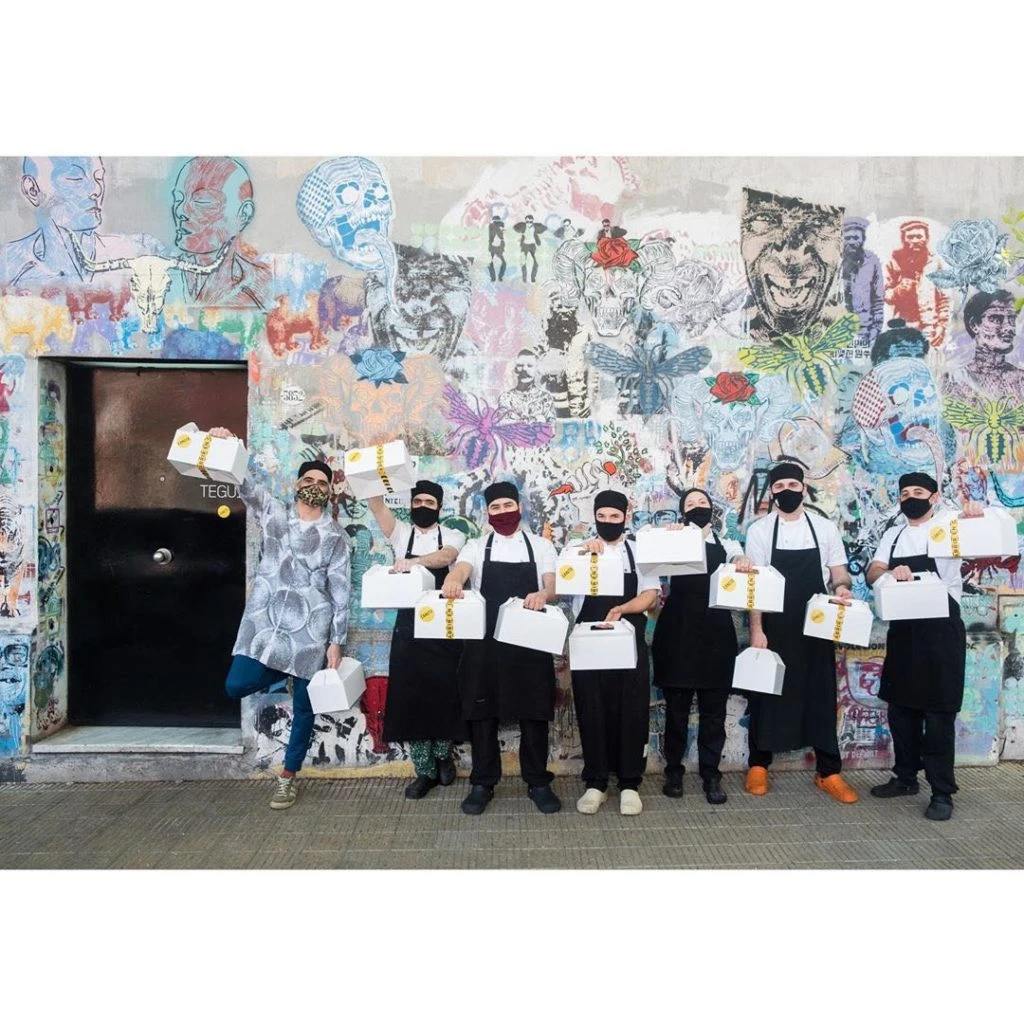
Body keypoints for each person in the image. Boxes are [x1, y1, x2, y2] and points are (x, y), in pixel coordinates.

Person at [211, 429, 350, 810]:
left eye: (322, 483)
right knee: (237, 684)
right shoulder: (274, 514)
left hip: (310, 634)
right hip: (265, 626)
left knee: (305, 709)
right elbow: (245, 484)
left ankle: (288, 777)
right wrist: (229, 445)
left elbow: (341, 590)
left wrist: (336, 641)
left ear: (329, 492)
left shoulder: (336, 537)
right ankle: (279, 673)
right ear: (297, 484)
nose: (315, 486)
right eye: (309, 480)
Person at [864, 473, 982, 821]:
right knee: (901, 710)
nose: (910, 497)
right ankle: (905, 778)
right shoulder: (893, 535)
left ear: (934, 497)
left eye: (918, 492)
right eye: (904, 493)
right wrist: (891, 572)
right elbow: (873, 572)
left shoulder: (949, 527)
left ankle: (942, 792)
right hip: (904, 632)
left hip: (941, 632)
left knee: (939, 715)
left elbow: (979, 533)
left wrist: (974, 514)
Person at [743, 462, 859, 803]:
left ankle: (829, 772)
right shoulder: (760, 531)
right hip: (775, 625)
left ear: (803, 488)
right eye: (780, 486)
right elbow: (755, 586)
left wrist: (842, 589)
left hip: (816, 625)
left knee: (821, 696)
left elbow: (839, 573)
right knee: (766, 693)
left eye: (793, 485)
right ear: (772, 492)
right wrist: (757, 630)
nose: (787, 491)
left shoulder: (824, 528)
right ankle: (758, 765)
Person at [441, 481, 560, 815]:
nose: (503, 512)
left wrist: (543, 594)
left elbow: (553, 586)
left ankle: (538, 781)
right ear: (487, 512)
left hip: (530, 638)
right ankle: (483, 782)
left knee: (534, 711)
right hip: (486, 642)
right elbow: (461, 569)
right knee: (483, 713)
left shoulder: (541, 546)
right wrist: (453, 580)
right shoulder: (477, 546)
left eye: (508, 505)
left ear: (519, 507)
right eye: (495, 507)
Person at [365, 482, 466, 799]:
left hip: (443, 623)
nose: (423, 506)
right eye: (418, 501)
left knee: (445, 692)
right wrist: (374, 474)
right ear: (411, 504)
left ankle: (443, 756)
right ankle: (424, 770)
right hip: (409, 627)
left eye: (429, 502)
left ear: (439, 507)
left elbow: (446, 557)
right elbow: (377, 506)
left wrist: (413, 562)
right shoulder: (400, 533)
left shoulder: (452, 535)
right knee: (412, 696)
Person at [562, 490, 660, 815]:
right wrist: (582, 557)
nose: (608, 522)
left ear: (626, 517)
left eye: (614, 516)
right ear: (594, 517)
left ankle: (630, 783)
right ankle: (597, 783)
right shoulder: (576, 550)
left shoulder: (639, 552)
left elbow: (650, 595)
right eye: (601, 516)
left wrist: (621, 609)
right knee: (591, 707)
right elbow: (564, 586)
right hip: (589, 642)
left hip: (628, 640)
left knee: (632, 709)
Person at [652, 488, 745, 804]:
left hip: (716, 634)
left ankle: (711, 774)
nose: (697, 507)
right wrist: (669, 539)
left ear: (712, 509)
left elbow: (739, 562)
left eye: (702, 502)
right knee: (676, 712)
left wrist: (743, 561)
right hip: (677, 632)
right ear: (682, 513)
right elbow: (652, 568)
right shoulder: (673, 540)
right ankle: (673, 771)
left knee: (713, 713)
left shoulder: (728, 545)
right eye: (690, 504)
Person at [169, 156, 271, 310]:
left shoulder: (261, 287)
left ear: (244, 214)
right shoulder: (161, 279)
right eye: (178, 200)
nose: (181, 212)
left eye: (202, 201)